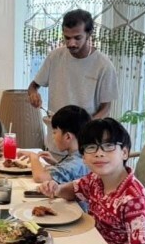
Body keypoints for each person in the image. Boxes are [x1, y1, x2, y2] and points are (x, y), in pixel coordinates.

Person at [39, 118, 145, 244]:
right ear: (83, 157)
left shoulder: (135, 198)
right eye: (91, 147)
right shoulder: (95, 179)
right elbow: (74, 190)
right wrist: (57, 188)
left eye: (108, 146)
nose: (99, 153)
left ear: (124, 153)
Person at [27, 9, 118, 154]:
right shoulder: (55, 57)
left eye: (77, 38)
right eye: (67, 38)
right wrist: (33, 94)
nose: (71, 43)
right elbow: (34, 86)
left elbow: (106, 108)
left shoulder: (104, 65)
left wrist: (85, 127)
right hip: (55, 144)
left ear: (89, 34)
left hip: (84, 146)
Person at [18, 105, 91, 184]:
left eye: (54, 132)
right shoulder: (80, 155)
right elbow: (69, 173)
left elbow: (40, 177)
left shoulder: (76, 162)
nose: (53, 136)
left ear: (67, 137)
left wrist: (33, 156)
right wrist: (55, 163)